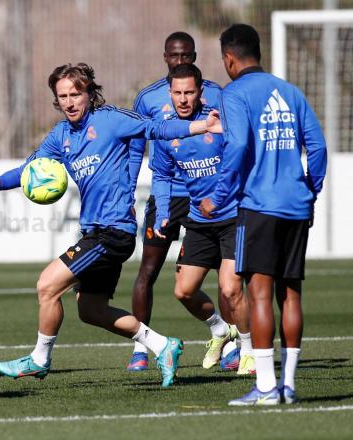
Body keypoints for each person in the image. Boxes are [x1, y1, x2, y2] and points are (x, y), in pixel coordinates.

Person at [0, 63, 222, 388]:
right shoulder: (61, 136)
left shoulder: (110, 120)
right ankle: (163, 346)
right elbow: (29, 169)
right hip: (95, 233)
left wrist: (202, 126)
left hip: (113, 232)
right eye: (62, 96)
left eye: (76, 94)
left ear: (89, 93)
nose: (70, 102)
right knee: (90, 309)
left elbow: (156, 129)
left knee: (47, 285)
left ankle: (39, 358)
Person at [200, 24, 327, 405]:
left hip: (258, 206)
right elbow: (317, 146)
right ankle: (288, 385)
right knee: (291, 295)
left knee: (259, 295)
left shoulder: (234, 93)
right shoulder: (290, 91)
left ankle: (267, 388)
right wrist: (310, 189)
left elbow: (237, 145)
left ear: (229, 58)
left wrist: (218, 196)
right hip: (295, 205)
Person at [126, 32, 236, 372]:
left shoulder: (215, 94)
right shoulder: (148, 98)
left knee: (225, 277)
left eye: (186, 55)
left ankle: (232, 347)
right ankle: (141, 347)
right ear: (165, 57)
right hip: (169, 194)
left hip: (208, 192)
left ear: (195, 56)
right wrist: (128, 190)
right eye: (174, 56)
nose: (180, 61)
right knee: (148, 269)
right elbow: (136, 145)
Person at [150, 63, 254, 376]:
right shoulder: (167, 130)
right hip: (198, 219)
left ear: (200, 93)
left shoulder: (219, 121)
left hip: (233, 216)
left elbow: (245, 155)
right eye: (178, 92)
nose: (183, 98)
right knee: (183, 291)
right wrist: (164, 211)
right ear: (170, 93)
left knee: (230, 288)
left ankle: (248, 351)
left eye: (189, 92)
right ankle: (221, 330)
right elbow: (161, 174)